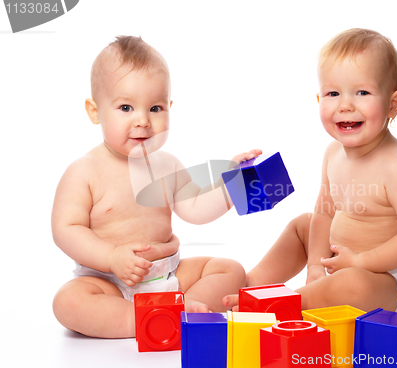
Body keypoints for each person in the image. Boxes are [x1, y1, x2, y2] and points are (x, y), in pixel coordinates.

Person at [52, 36, 260, 338]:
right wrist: (111, 257)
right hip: (109, 281)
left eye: (155, 108)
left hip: (168, 273)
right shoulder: (85, 171)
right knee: (68, 301)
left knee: (229, 269)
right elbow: (65, 229)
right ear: (95, 111)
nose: (143, 120)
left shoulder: (167, 164)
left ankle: (180, 308)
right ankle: (142, 320)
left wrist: (231, 187)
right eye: (125, 107)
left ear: (169, 107)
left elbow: (196, 207)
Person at [224, 28, 397, 315]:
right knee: (304, 224)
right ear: (319, 99)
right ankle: (251, 284)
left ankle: (291, 302)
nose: (345, 105)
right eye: (333, 93)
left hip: (387, 281)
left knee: (353, 284)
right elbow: (325, 213)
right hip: (340, 261)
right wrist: (314, 266)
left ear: (393, 104)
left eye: (362, 92)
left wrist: (361, 262)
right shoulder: (332, 153)